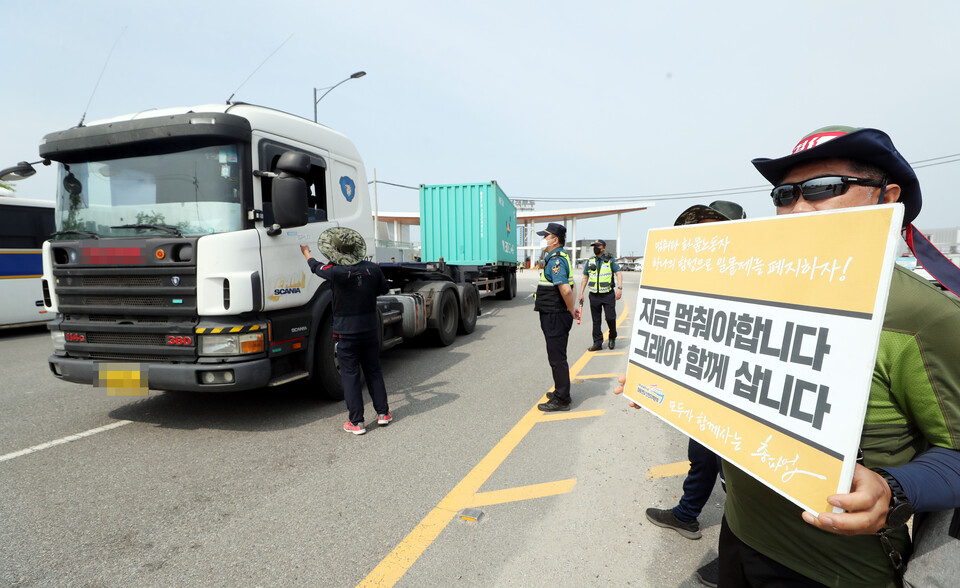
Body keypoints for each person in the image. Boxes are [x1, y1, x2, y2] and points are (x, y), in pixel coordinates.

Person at [717, 126, 960, 587]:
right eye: (784, 194)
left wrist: (894, 488)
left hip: (832, 570)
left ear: (886, 199)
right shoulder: (753, 293)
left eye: (822, 189)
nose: (795, 208)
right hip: (740, 531)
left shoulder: (922, 315)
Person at [643, 200, 746, 588]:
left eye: (712, 230)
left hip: (741, 396)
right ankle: (686, 514)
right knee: (701, 456)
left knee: (737, 480)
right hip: (707, 394)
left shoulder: (755, 272)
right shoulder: (699, 276)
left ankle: (739, 559)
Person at [300, 227, 392, 435]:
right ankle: (383, 413)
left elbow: (316, 268)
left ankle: (357, 422)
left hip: (346, 333)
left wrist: (306, 252)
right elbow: (384, 289)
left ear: (336, 251)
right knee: (374, 371)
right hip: (369, 328)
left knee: (350, 374)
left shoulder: (335, 271)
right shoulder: (373, 269)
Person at [534, 222, 580, 412]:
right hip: (556, 314)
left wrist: (571, 309)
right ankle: (560, 391)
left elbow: (566, 289)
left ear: (555, 239)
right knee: (556, 355)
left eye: (546, 236)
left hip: (555, 315)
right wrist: (572, 308)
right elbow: (572, 285)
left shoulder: (556, 260)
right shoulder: (558, 257)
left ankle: (562, 398)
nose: (544, 239)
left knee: (557, 358)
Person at [577, 239, 623, 351]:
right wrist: (581, 293)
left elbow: (618, 273)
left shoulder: (610, 261)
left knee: (610, 317)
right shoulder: (590, 261)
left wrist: (619, 288)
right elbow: (585, 278)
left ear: (604, 248)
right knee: (596, 320)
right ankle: (597, 343)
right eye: (594, 246)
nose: (595, 247)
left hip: (607, 294)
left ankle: (612, 337)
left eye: (598, 245)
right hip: (594, 295)